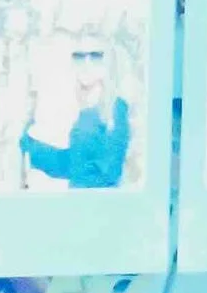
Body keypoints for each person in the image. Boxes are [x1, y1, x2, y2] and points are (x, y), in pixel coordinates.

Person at [19, 39, 131, 187]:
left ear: (107, 63)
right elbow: (72, 162)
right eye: (79, 56)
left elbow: (109, 172)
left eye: (95, 56)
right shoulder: (80, 105)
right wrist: (30, 144)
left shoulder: (115, 108)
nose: (86, 64)